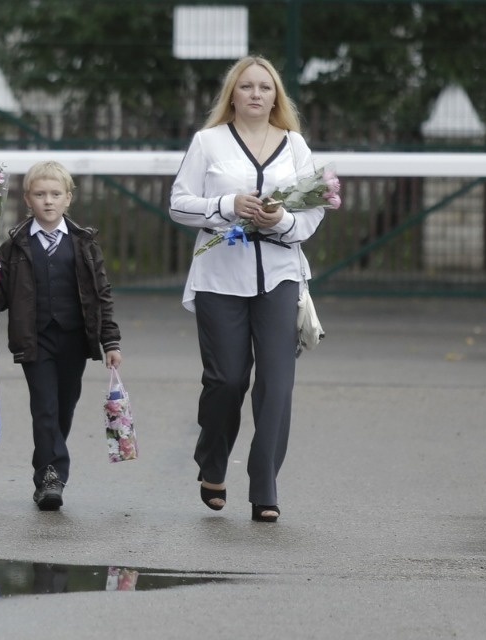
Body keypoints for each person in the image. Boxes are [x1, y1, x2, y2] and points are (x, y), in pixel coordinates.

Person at [169, 55, 326, 523]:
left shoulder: (295, 145)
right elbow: (179, 205)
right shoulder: (207, 143)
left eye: (265, 87)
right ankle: (212, 464)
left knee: (276, 383)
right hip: (220, 276)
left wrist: (283, 220)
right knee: (228, 379)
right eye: (247, 87)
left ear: (276, 96)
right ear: (232, 95)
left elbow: (314, 213)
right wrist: (226, 204)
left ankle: (265, 487)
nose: (256, 94)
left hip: (280, 275)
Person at [0, 160, 122, 511]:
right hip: (35, 339)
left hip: (74, 339)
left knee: (63, 409)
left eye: (55, 194)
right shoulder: (14, 246)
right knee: (43, 407)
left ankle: (48, 465)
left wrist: (110, 341)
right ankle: (51, 479)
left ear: (68, 198)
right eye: (40, 194)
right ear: (28, 198)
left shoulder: (83, 242)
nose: (48, 201)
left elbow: (101, 293)